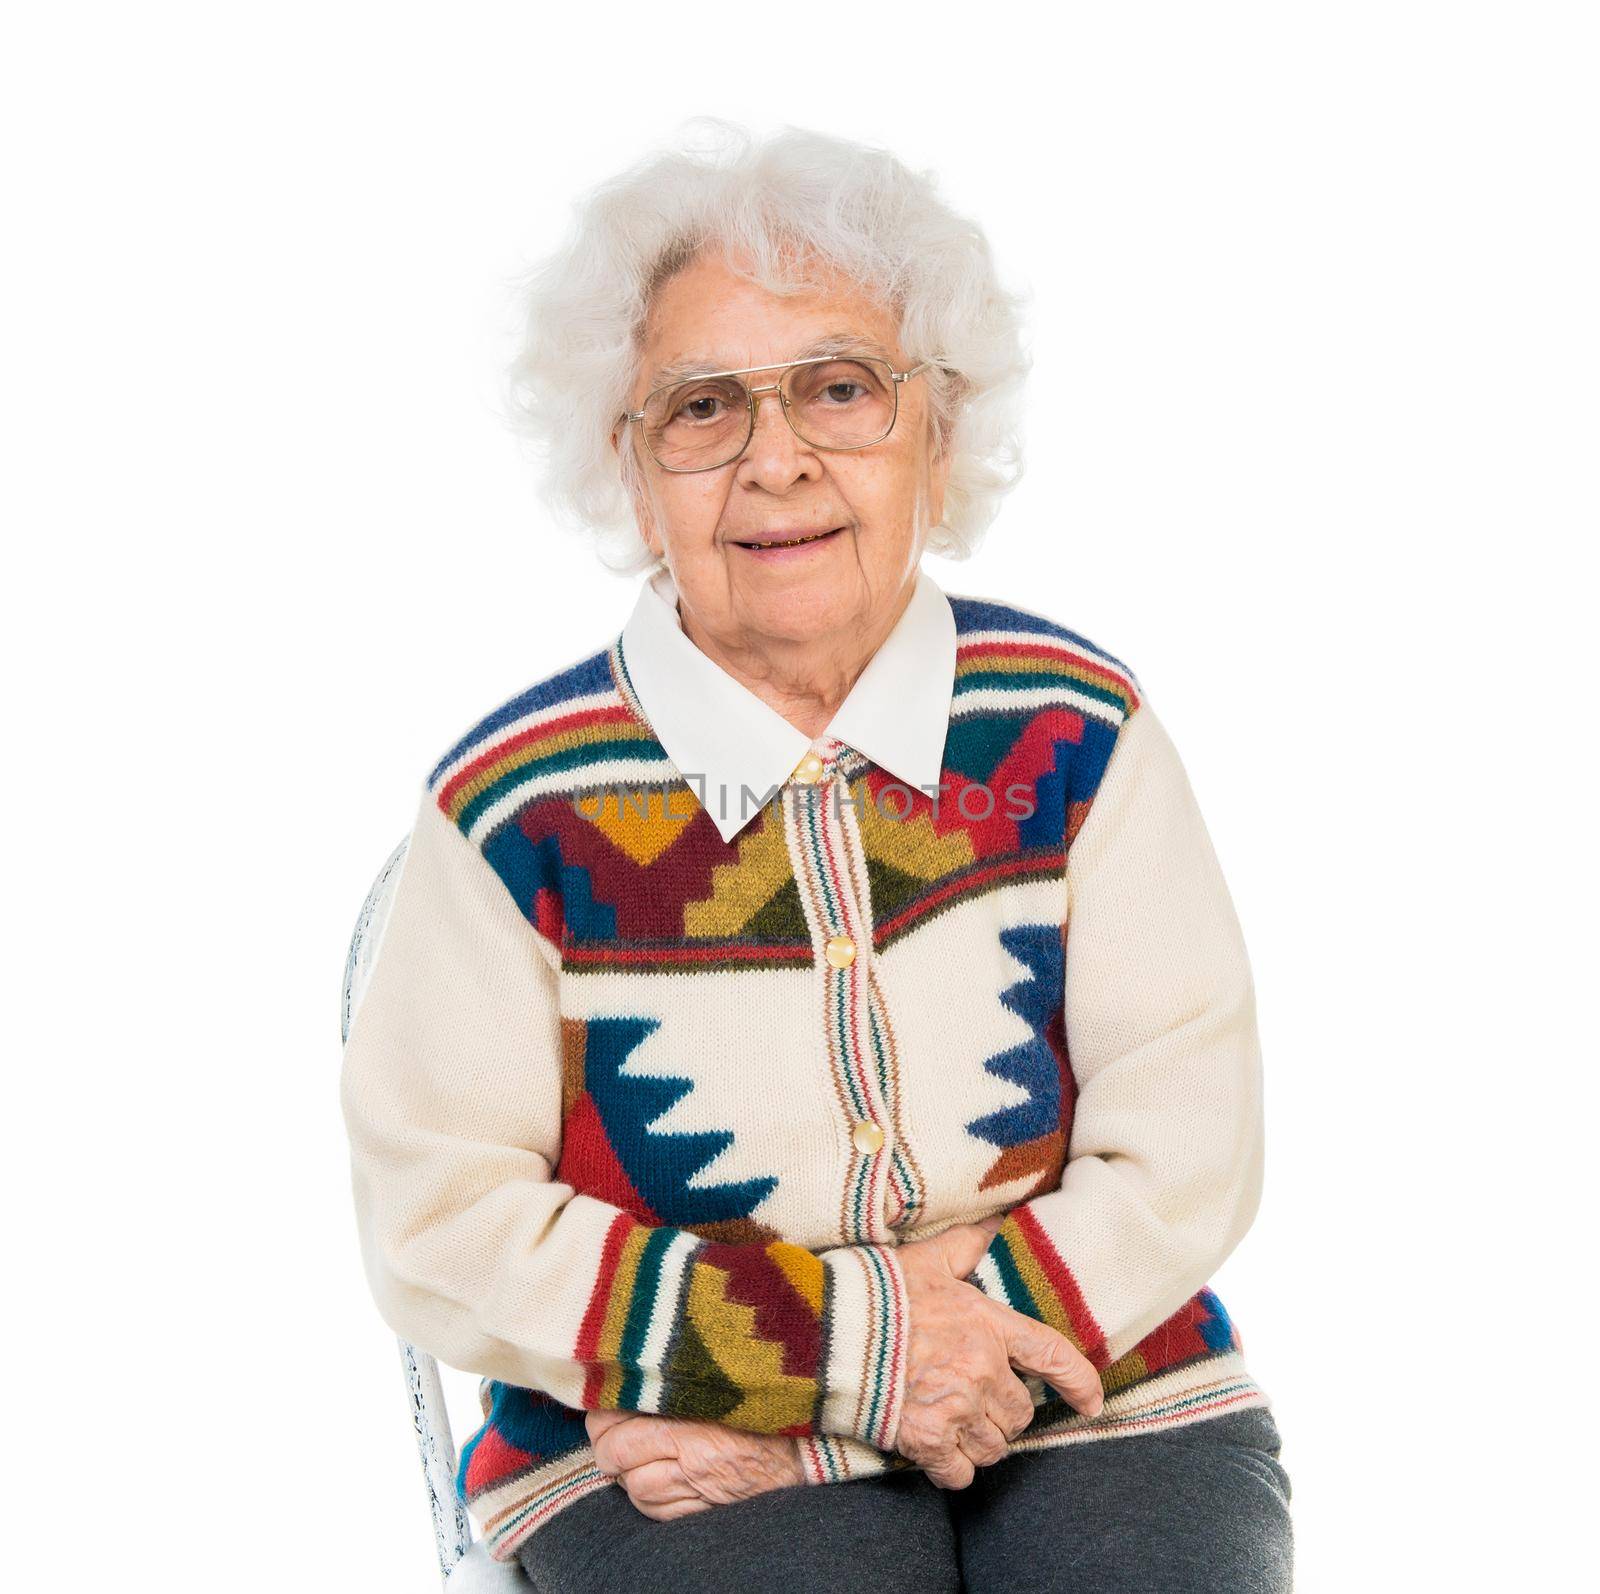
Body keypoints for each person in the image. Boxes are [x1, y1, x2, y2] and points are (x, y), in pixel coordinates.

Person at [339, 118, 1293, 1593]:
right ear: (630, 464)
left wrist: (843, 1398)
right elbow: (443, 1220)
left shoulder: (1076, 726)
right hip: (649, 1446)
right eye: (703, 409)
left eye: (841, 389)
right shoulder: (510, 805)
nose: (777, 460)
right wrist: (856, 1358)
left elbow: (1186, 1139)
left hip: (1102, 1378)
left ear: (941, 430)